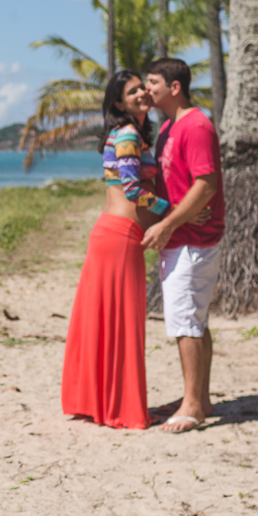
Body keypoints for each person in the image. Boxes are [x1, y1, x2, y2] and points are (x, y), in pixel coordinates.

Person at [60, 70, 170, 429]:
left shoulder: (130, 133)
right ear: (119, 103)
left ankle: (98, 403)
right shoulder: (126, 134)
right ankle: (119, 407)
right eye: (133, 91)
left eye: (143, 88)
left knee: (106, 322)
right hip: (119, 237)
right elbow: (133, 189)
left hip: (115, 235)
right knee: (123, 324)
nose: (142, 94)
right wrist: (171, 211)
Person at [142, 58, 225, 433]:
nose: (147, 89)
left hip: (194, 241)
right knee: (194, 319)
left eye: (153, 82)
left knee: (186, 321)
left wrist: (169, 223)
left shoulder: (196, 125)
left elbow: (206, 184)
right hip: (181, 236)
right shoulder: (168, 127)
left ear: (175, 87)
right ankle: (199, 398)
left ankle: (192, 406)